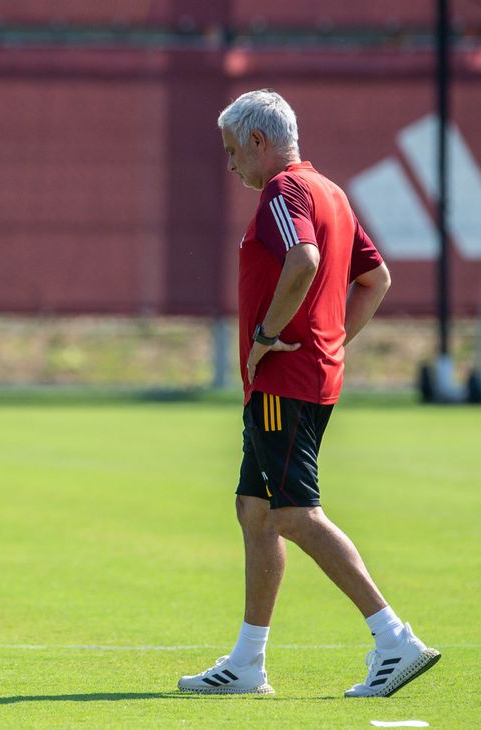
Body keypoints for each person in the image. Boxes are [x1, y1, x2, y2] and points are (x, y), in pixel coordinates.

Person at [177, 89, 441, 698]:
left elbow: (302, 259)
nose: (230, 165)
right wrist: (333, 340)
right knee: (255, 511)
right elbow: (375, 279)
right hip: (304, 379)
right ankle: (248, 663)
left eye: (231, 151)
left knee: (293, 512)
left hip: (284, 383)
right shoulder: (332, 192)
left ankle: (394, 639)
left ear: (258, 141)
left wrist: (269, 336)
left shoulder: (284, 191)